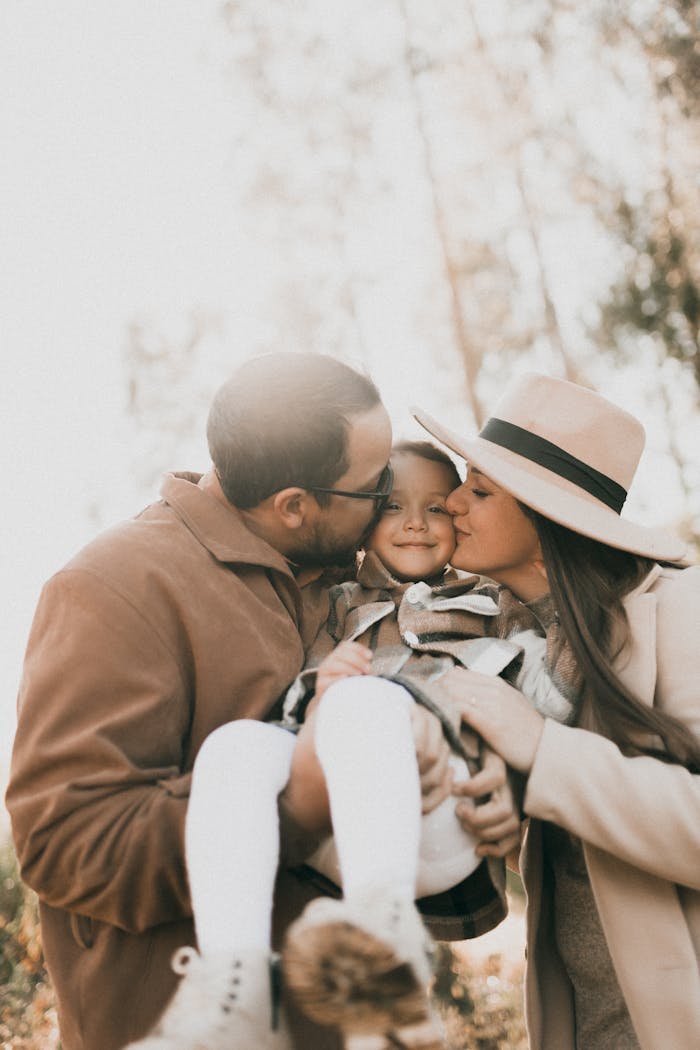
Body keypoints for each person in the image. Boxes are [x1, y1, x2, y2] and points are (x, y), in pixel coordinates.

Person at [6, 352, 517, 1050]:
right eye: (377, 490)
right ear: (295, 506)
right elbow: (65, 844)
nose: (393, 504)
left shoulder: (354, 578)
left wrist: (490, 776)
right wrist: (297, 804)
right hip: (167, 1020)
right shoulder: (113, 586)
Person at [129, 439, 572, 1050]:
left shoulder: (498, 607)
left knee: (367, 700)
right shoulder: (337, 603)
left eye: (438, 507)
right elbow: (298, 702)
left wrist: (517, 778)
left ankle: (386, 953)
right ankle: (237, 985)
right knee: (235, 747)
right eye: (393, 506)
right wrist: (317, 688)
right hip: (343, 830)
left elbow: (552, 703)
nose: (415, 522)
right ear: (363, 520)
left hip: (442, 817)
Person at [412, 372, 700, 1050]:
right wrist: (510, 813)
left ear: (549, 526)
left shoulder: (683, 614)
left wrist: (543, 750)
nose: (452, 501)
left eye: (479, 490)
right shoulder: (511, 647)